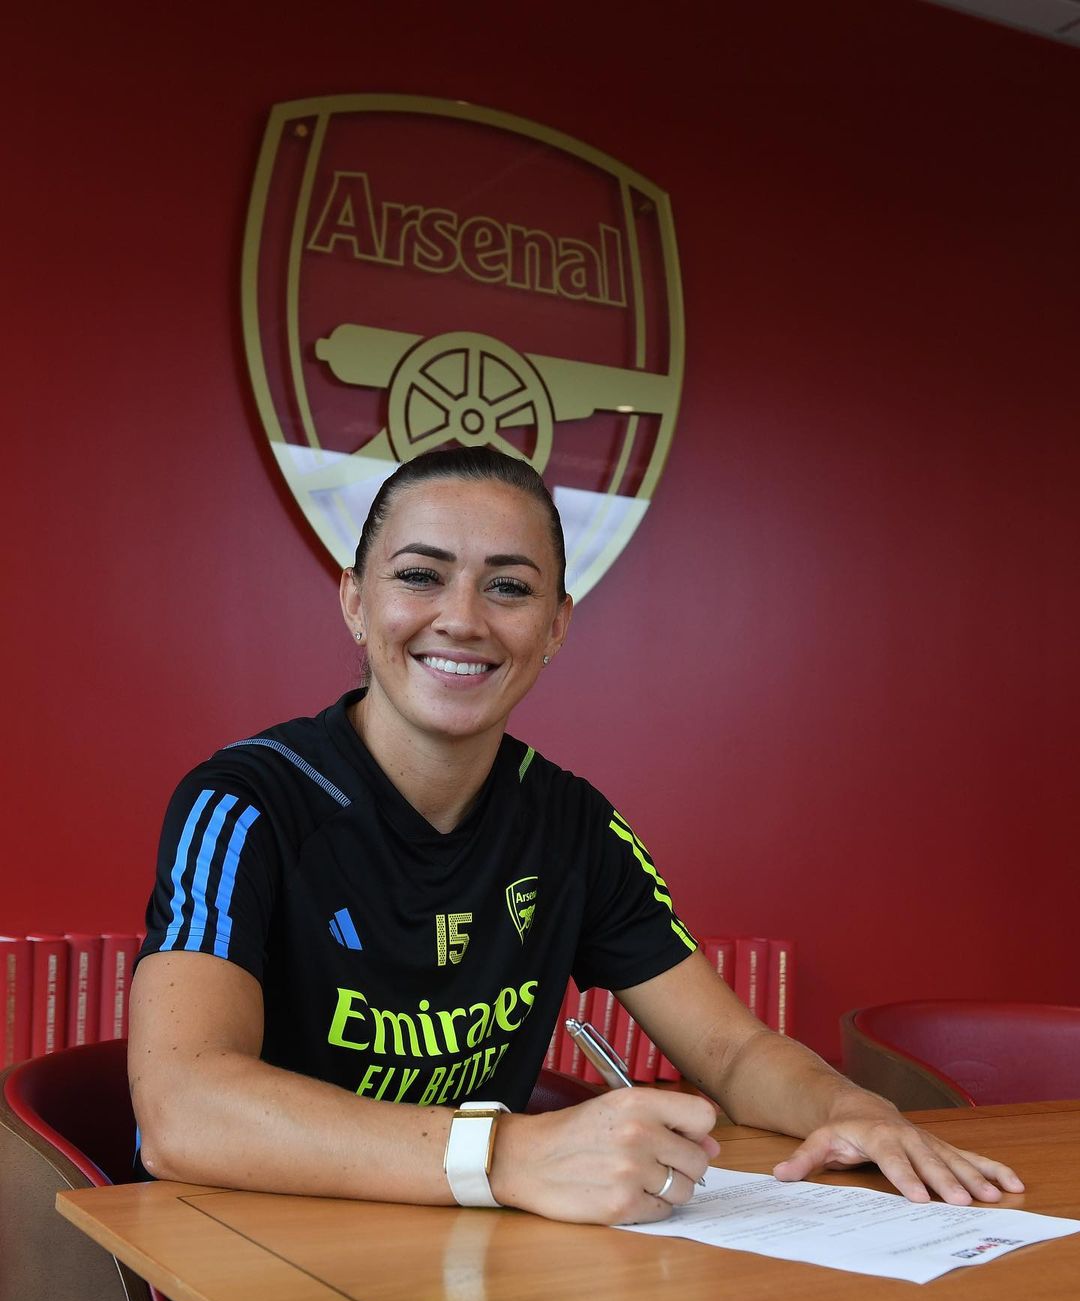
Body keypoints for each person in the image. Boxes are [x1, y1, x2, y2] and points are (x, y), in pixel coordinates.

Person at [130, 444, 1023, 1240]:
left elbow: (735, 1054)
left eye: (509, 586)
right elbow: (182, 1108)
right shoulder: (243, 801)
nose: (463, 618)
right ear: (357, 603)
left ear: (556, 626)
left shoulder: (572, 825)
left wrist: (855, 1108)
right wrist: (509, 1153)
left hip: (479, 1256)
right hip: (266, 1257)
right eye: (419, 576)